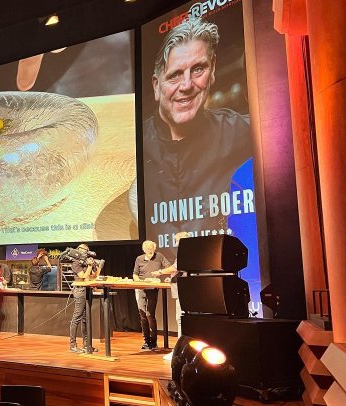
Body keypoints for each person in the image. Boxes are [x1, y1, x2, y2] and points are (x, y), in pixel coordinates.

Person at [143, 18, 252, 252]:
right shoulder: (134, 149)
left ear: (212, 72)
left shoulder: (243, 132)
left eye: (198, 69)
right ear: (156, 86)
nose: (187, 85)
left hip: (219, 278)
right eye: (174, 75)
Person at [155, 231, 190, 360]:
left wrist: (160, 272)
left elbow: (175, 267)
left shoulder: (185, 252)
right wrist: (172, 278)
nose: (175, 243)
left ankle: (179, 351)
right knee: (182, 319)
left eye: (176, 240)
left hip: (183, 290)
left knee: (181, 319)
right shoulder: (189, 252)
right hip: (183, 288)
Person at [133, 240, 171, 350]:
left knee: (150, 314)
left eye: (152, 249)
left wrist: (160, 273)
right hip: (140, 289)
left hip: (153, 288)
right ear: (144, 250)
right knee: (143, 315)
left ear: (154, 249)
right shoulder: (139, 259)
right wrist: (138, 281)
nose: (150, 251)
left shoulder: (159, 256)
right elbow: (135, 274)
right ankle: (146, 341)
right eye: (148, 249)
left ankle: (153, 342)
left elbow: (169, 267)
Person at [68, 243, 101, 354]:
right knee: (76, 318)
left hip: (88, 290)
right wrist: (90, 266)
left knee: (85, 319)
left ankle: (87, 345)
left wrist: (98, 267)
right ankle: (72, 345)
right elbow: (83, 276)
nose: (86, 251)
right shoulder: (75, 263)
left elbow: (93, 276)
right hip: (80, 291)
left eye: (87, 250)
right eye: (83, 249)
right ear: (78, 250)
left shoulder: (86, 263)